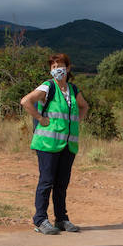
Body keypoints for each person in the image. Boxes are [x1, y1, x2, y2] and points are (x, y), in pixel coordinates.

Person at [21, 52, 89, 235]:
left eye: (60, 66)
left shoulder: (73, 90)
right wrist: (39, 118)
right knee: (46, 181)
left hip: (68, 145)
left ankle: (61, 219)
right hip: (47, 144)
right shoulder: (47, 87)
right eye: (54, 67)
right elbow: (26, 101)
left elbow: (84, 106)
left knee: (62, 183)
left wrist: (75, 122)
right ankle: (40, 220)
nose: (57, 70)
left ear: (68, 68)